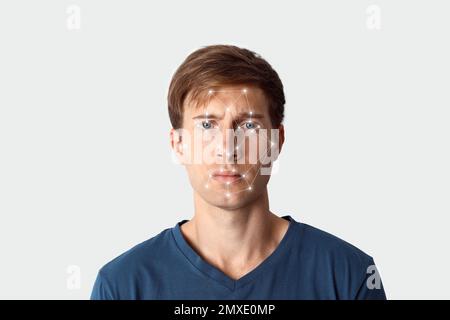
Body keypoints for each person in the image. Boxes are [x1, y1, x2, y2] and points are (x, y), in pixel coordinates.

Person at [91, 44, 386, 300]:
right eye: (207, 125)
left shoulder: (349, 275)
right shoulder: (122, 285)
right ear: (178, 144)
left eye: (248, 126)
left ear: (276, 141)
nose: (227, 148)